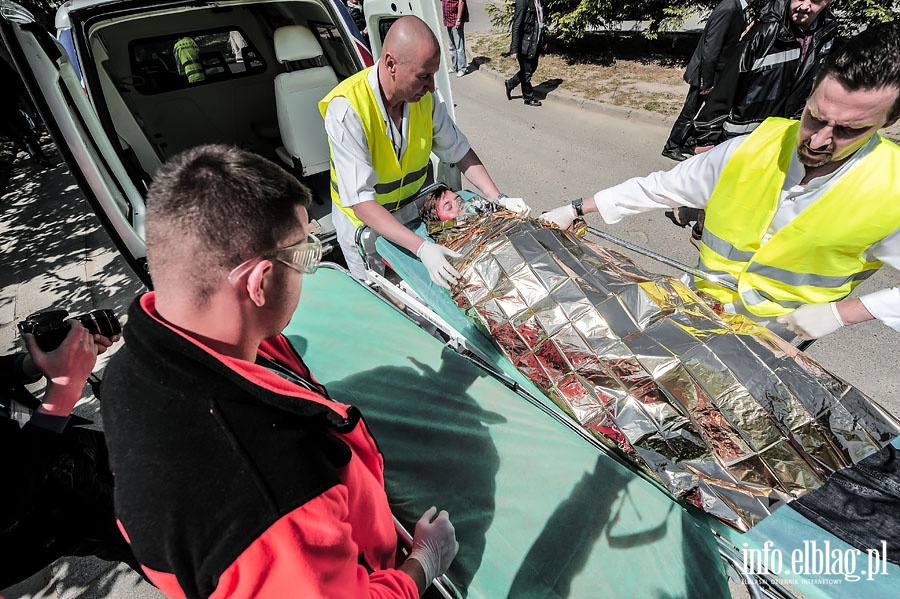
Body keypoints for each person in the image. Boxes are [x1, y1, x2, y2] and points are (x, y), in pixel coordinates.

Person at [100, 144, 459, 598]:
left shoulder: (131, 366)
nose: (310, 268)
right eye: (305, 256)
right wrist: (421, 566)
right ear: (260, 282)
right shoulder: (278, 500)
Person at [541, 21, 900, 343]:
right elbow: (662, 187)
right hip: (698, 309)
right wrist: (574, 209)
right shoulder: (756, 146)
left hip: (774, 341)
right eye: (814, 117)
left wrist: (843, 314)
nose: (818, 140)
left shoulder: (893, 189)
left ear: (887, 123)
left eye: (849, 130)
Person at [320, 16, 528, 287]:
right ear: (391, 64)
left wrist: (498, 198)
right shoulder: (347, 110)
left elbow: (459, 150)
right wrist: (422, 248)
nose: (431, 86)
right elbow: (362, 204)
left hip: (410, 214)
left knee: (422, 290)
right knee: (384, 299)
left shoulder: (424, 98)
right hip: (365, 228)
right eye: (423, 76)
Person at [1, 321, 137, 588]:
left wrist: (35, 363)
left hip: (59, 440)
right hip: (47, 507)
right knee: (146, 536)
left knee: (145, 464)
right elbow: (8, 503)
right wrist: (62, 393)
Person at [692, 0, 837, 149]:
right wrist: (706, 138)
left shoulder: (826, 34)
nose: (805, 6)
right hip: (742, 139)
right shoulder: (765, 30)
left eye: (815, 1)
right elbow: (727, 86)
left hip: (785, 138)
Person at [661, 0, 752, 162]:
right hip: (706, 72)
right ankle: (671, 146)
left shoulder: (736, 7)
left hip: (717, 72)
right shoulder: (729, 7)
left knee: (706, 112)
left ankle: (687, 142)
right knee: (690, 111)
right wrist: (707, 81)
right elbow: (712, 46)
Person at [504, 0, 544, 107]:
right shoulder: (523, 1)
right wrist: (514, 49)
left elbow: (539, 23)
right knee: (527, 73)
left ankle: (510, 83)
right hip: (525, 44)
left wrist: (542, 41)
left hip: (534, 43)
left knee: (532, 68)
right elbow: (516, 25)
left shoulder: (538, 2)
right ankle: (528, 98)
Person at [442, 0, 468, 77]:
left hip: (455, 19)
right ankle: (455, 67)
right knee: (451, 46)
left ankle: (462, 68)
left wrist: (458, 19)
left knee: (459, 47)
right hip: (448, 20)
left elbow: (461, 2)